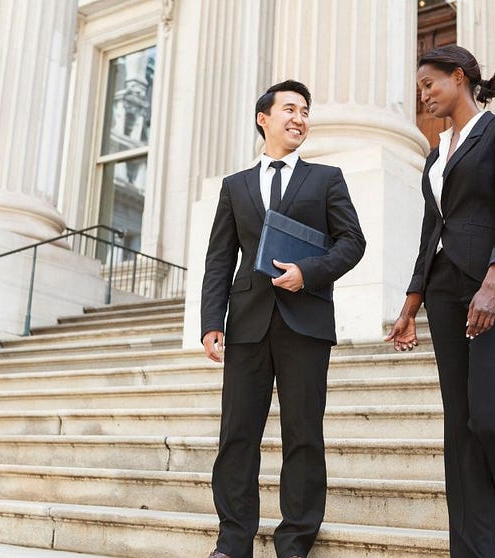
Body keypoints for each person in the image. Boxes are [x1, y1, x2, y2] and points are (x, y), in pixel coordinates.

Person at [384, 45, 495, 557]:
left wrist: (494, 281)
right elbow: (431, 230)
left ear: (458, 77)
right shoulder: (434, 153)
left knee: (490, 418)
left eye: (429, 84)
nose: (423, 95)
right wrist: (411, 304)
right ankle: (474, 546)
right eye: (419, 89)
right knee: (460, 423)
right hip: (445, 293)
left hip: (493, 289)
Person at [201, 80, 366, 558]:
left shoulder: (326, 179)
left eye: (306, 111)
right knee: (237, 436)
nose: (300, 118)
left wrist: (307, 273)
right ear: (264, 119)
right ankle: (233, 542)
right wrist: (213, 321)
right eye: (290, 109)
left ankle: (294, 542)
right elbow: (219, 259)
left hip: (306, 322)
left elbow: (352, 242)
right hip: (247, 323)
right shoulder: (235, 186)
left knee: (303, 435)